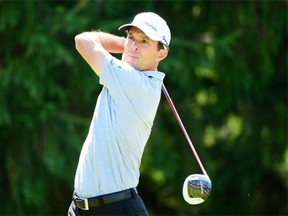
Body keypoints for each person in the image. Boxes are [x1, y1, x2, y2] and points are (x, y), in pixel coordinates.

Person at [68, 12, 171, 216]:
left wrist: (125, 45)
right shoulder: (128, 77)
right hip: (80, 208)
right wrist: (130, 45)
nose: (134, 45)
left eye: (144, 41)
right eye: (131, 37)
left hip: (116, 209)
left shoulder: (135, 83)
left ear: (161, 54)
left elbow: (83, 41)